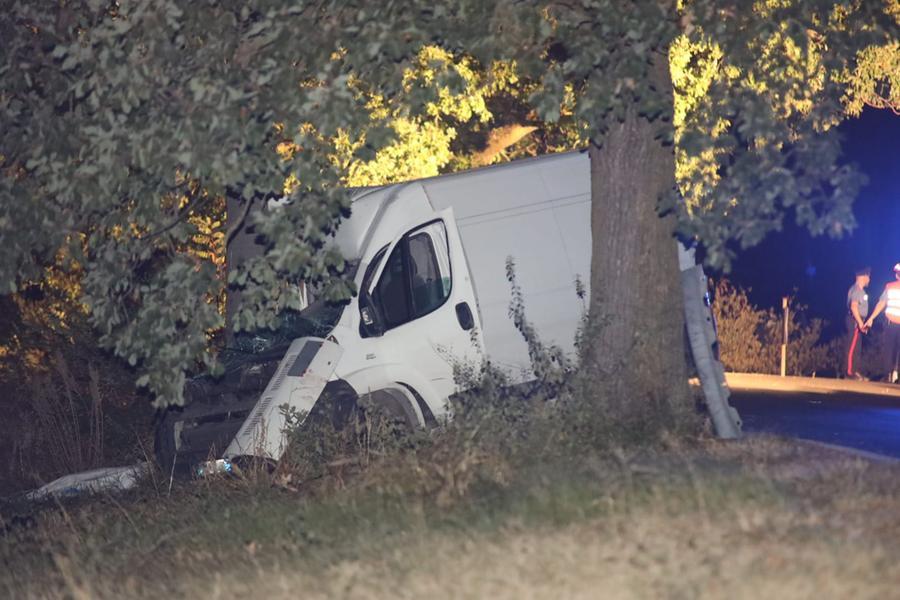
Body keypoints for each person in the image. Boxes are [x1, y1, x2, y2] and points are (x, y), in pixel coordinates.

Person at [864, 262, 900, 383]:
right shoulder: (890, 287)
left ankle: (887, 375)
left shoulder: (889, 287)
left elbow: (881, 303)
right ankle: (896, 376)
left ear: (896, 275)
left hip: (890, 323)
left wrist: (871, 318)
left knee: (889, 350)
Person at [845, 267, 871, 380]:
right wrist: (860, 323)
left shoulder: (859, 290)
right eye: (868, 276)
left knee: (857, 348)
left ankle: (855, 371)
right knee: (852, 347)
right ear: (863, 276)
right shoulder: (856, 290)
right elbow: (854, 307)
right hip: (855, 320)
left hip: (858, 321)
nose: (869, 279)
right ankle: (849, 372)